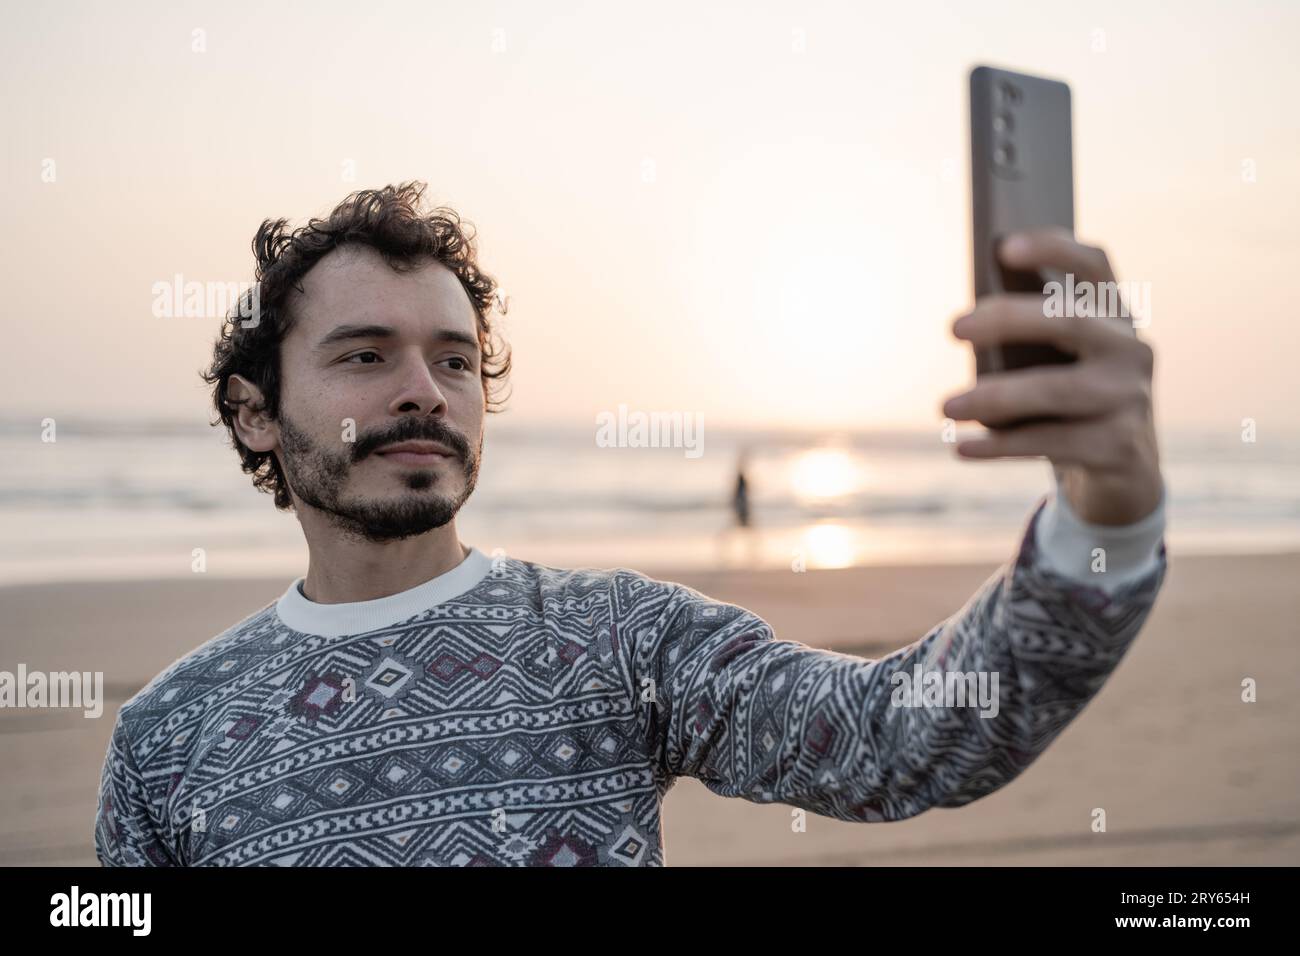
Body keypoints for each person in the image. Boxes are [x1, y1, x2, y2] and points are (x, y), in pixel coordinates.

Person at [94, 182, 1167, 866]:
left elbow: (907, 736)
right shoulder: (168, 737)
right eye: (365, 354)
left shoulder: (620, 638)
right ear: (255, 411)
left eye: (455, 359)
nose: (424, 389)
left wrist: (1105, 511)